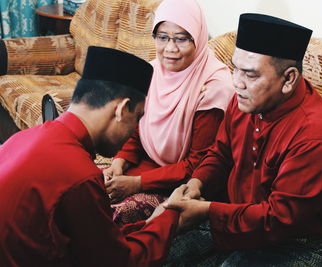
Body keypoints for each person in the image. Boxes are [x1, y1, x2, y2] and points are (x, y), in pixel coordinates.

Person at [164, 13, 322, 266]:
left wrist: (207, 210)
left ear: (288, 79)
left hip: (305, 242)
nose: (236, 83)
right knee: (160, 252)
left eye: (250, 75)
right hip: (242, 217)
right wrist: (197, 183)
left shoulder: (316, 135)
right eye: (235, 69)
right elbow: (221, 152)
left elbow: (279, 219)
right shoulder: (245, 100)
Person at [0, 46, 186, 266]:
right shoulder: (80, 176)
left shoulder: (23, 138)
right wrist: (170, 217)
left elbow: (93, 241)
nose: (134, 130)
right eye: (137, 118)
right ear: (122, 109)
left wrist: (150, 224)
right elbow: (120, 262)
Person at [104, 0, 234, 225]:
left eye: (182, 38)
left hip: (183, 184)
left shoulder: (214, 87)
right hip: (146, 166)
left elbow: (199, 163)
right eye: (162, 37)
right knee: (84, 191)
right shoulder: (152, 71)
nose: (170, 48)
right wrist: (119, 162)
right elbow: (139, 130)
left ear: (199, 38)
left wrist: (136, 183)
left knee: (113, 215)